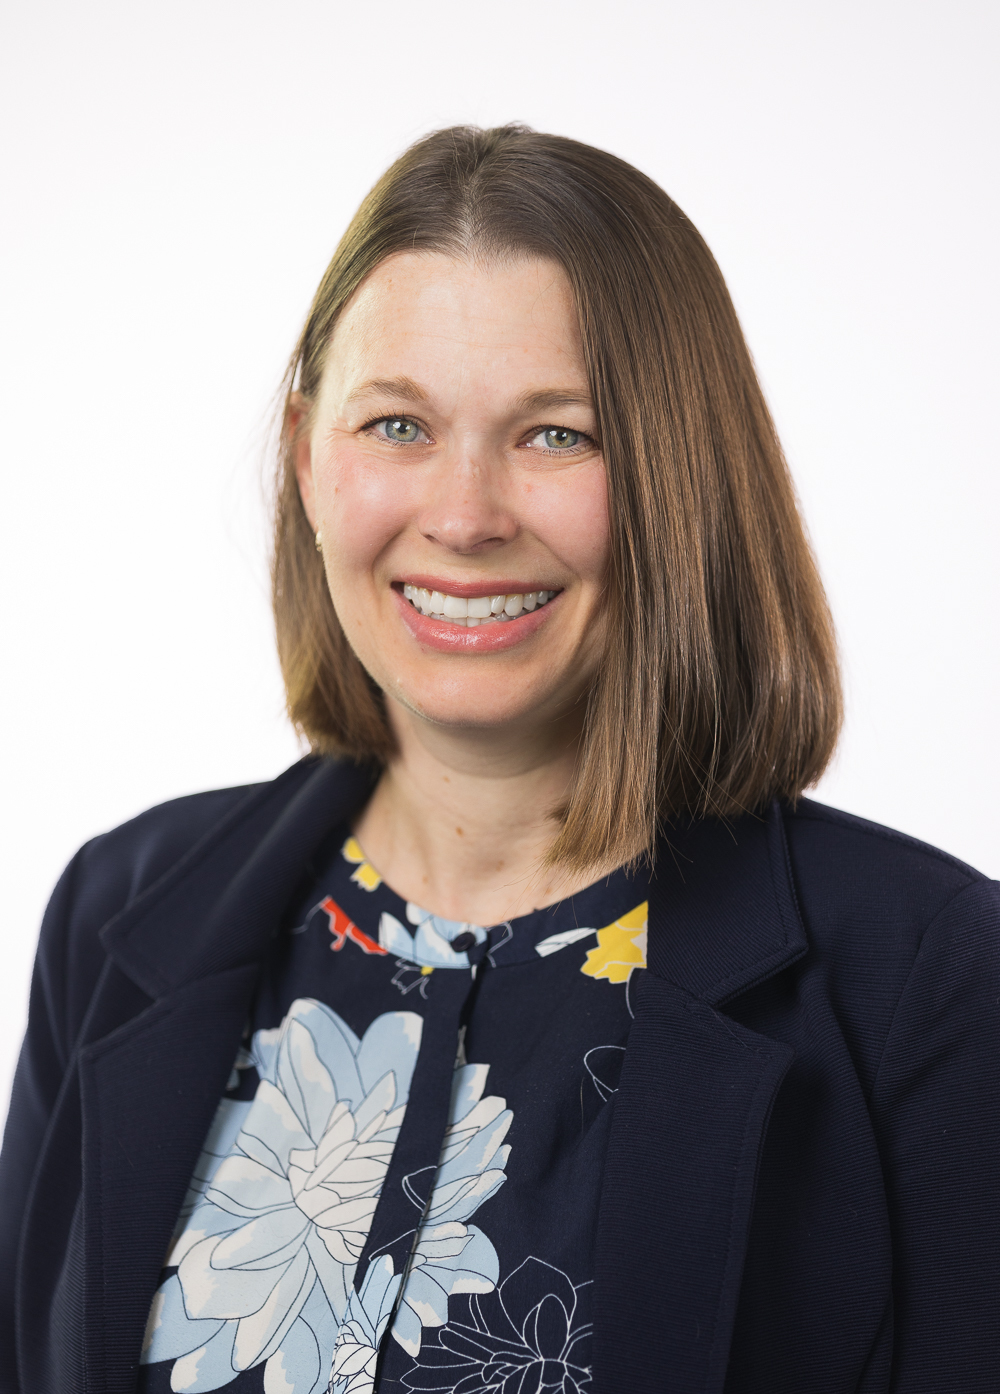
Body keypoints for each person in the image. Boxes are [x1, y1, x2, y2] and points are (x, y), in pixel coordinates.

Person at [1, 124, 997, 1394]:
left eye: (556, 435)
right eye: (398, 423)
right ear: (308, 456)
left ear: (678, 479)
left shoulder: (930, 981)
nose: (465, 514)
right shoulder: (115, 913)